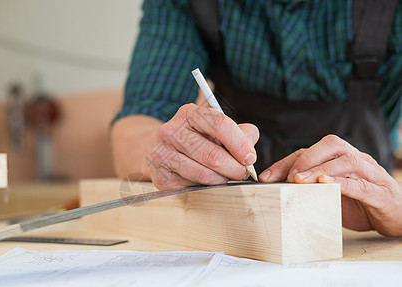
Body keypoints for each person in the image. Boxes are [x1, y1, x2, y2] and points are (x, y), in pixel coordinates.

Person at [111, 1, 402, 236]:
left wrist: (398, 211)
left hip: (368, 227)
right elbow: (135, 130)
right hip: (233, 226)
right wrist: (169, 152)